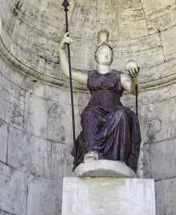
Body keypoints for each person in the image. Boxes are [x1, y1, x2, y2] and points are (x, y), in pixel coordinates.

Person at [58, 29, 141, 172]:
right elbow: (68, 73)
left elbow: (134, 90)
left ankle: (119, 158)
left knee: (121, 115)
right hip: (95, 110)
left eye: (109, 51)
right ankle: (92, 151)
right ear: (96, 55)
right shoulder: (91, 76)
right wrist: (61, 48)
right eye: (103, 50)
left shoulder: (118, 76)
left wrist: (134, 77)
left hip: (114, 110)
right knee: (89, 114)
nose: (106, 53)